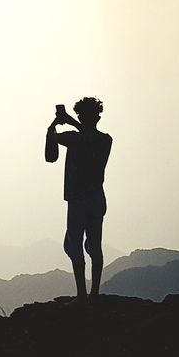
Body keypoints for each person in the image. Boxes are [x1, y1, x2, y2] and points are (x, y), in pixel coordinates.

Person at [45, 97, 112, 302]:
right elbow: (87, 137)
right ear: (98, 116)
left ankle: (82, 295)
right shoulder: (105, 140)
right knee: (95, 245)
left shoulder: (76, 138)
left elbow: (50, 157)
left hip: (77, 200)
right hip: (97, 199)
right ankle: (94, 294)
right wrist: (64, 124)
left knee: (75, 246)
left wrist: (54, 126)